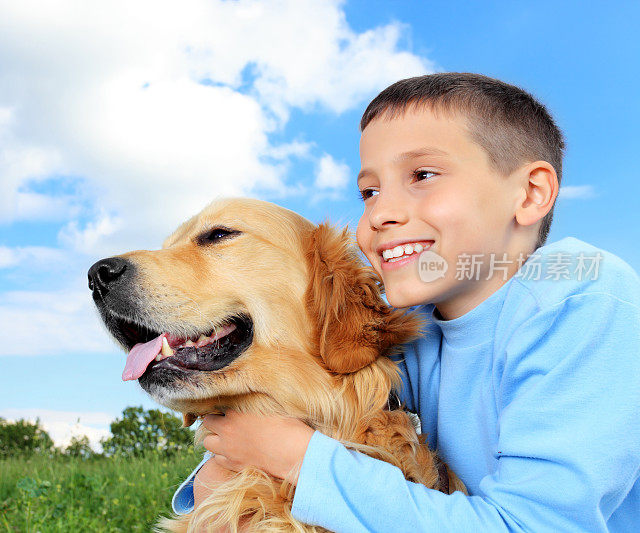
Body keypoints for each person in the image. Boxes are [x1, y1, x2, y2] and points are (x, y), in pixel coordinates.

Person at [172, 73, 640, 531]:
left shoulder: (580, 300)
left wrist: (300, 460)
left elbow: (536, 525)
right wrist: (227, 469)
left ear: (530, 193)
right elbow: (332, 419)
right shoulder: (410, 325)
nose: (380, 213)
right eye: (369, 191)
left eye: (422, 175)